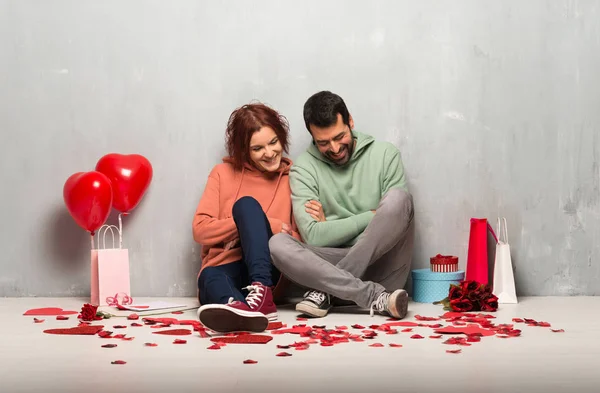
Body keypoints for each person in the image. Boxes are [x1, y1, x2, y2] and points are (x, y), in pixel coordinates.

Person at [269, 91, 415, 319]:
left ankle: (326, 292)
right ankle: (370, 296)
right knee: (278, 244)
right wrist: (373, 216)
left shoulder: (386, 155)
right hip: (350, 276)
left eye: (339, 137)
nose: (335, 148)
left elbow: (392, 225)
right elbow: (315, 237)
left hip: (384, 268)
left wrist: (333, 227)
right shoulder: (304, 169)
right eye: (323, 142)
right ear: (312, 136)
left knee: (398, 199)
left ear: (350, 122)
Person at [193, 103, 301, 333]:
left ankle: (261, 292)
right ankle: (237, 308)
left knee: (246, 205)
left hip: (270, 273)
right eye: (258, 148)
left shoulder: (296, 179)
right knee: (209, 276)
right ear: (244, 150)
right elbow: (200, 229)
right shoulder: (222, 174)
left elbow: (300, 243)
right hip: (226, 267)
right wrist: (248, 223)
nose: (270, 153)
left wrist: (259, 222)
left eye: (274, 142)